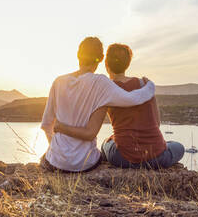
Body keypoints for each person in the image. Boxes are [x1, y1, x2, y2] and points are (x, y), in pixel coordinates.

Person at [54, 43, 184, 169]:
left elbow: (91, 129)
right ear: (127, 64)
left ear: (106, 64)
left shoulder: (104, 90)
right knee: (178, 146)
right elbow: (157, 123)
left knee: (106, 143)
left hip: (123, 158)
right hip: (156, 157)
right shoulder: (145, 84)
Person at [40, 37, 156, 173]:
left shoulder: (58, 82)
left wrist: (60, 153)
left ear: (78, 55)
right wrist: (150, 86)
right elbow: (131, 99)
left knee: (44, 158)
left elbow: (47, 124)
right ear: (101, 59)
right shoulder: (100, 82)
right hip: (85, 163)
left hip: (56, 161)